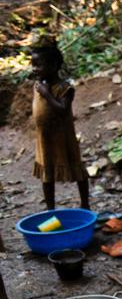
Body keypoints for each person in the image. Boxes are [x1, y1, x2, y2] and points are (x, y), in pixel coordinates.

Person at [29, 38, 90, 212]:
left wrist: (47, 94)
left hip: (63, 138)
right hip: (44, 138)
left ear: (54, 65)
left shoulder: (65, 88)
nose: (35, 69)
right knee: (47, 174)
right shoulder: (39, 85)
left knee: (76, 167)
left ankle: (85, 204)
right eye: (33, 64)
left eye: (38, 65)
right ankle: (50, 209)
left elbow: (63, 110)